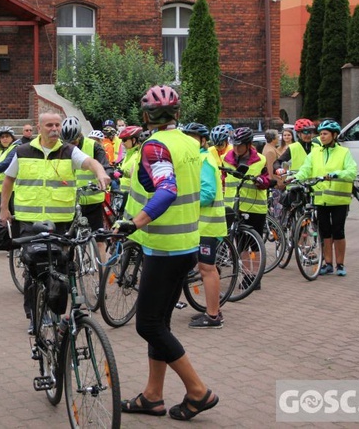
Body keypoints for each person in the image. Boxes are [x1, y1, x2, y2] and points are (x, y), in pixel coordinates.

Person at [113, 85, 217, 420]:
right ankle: (152, 397)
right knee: (161, 322)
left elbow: (167, 189)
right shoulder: (189, 142)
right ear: (178, 114)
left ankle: (198, 391)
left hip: (165, 248)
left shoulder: (155, 146)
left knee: (148, 325)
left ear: (145, 117)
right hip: (187, 244)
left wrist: (135, 223)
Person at [0, 112, 111, 334]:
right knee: (34, 269)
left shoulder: (69, 151)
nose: (54, 129)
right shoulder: (22, 151)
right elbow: (9, 179)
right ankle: (34, 315)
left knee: (60, 269)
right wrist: (4, 208)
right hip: (30, 221)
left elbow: (90, 162)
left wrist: (101, 173)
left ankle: (56, 313)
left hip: (60, 222)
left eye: (57, 125)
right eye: (49, 125)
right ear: (39, 128)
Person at [293, 120, 357, 276]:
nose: (322, 136)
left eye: (325, 134)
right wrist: (296, 177)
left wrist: (337, 174)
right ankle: (328, 263)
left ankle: (340, 264)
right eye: (321, 134)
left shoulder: (344, 153)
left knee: (338, 231)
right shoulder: (315, 153)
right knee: (325, 232)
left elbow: (352, 172)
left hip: (339, 200)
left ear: (334, 135)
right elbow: (306, 169)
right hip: (321, 199)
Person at [182, 123, 226, 329]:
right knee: (206, 268)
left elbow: (207, 195)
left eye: (193, 138)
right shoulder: (197, 158)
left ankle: (213, 316)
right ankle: (213, 309)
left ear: (202, 140)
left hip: (207, 225)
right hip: (201, 225)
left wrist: (183, 201)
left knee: (207, 269)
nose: (189, 141)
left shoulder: (204, 160)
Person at [221, 127, 270, 290]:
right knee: (241, 245)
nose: (236, 148)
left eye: (239, 145)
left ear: (249, 145)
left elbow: (267, 178)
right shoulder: (226, 159)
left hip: (255, 207)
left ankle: (255, 278)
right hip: (233, 206)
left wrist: (262, 181)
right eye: (234, 145)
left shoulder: (260, 159)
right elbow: (222, 179)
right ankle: (246, 275)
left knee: (254, 246)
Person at [60, 116, 113, 261]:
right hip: (70, 200)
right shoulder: (60, 148)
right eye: (68, 143)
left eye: (74, 142)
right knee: (66, 239)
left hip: (92, 199)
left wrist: (105, 177)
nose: (72, 146)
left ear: (80, 135)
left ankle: (101, 270)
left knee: (99, 238)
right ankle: (67, 269)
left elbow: (105, 166)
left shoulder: (94, 146)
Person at [115, 125, 143, 194]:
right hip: (122, 194)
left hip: (132, 196)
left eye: (124, 140)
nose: (122, 143)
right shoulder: (129, 154)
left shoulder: (138, 155)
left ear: (133, 140)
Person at [0, 126, 18, 194]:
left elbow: (6, 163)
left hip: (13, 190)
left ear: (12, 138)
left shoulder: (15, 148)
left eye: (7, 136)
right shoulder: (2, 151)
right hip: (3, 190)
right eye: (2, 137)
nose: (4, 139)